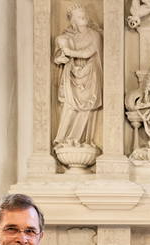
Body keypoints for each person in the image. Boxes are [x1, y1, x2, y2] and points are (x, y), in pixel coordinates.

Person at [53, 5, 103, 150]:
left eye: (85, 16)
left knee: (86, 108)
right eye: (80, 17)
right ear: (73, 21)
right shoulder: (66, 37)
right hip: (71, 75)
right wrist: (60, 57)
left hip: (89, 74)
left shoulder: (95, 35)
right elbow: (58, 56)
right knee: (69, 105)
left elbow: (89, 52)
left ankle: (79, 139)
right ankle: (63, 139)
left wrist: (70, 52)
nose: (84, 18)